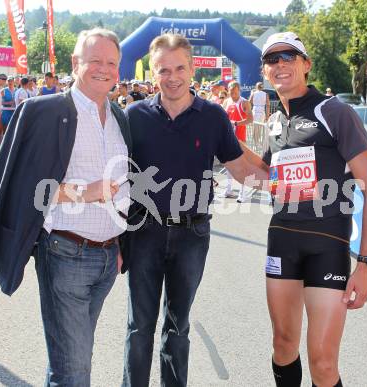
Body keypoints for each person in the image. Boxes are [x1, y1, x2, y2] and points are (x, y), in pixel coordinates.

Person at [0, 28, 133, 386]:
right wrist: (87, 192)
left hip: (107, 259)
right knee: (74, 370)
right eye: (95, 60)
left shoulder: (119, 118)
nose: (104, 69)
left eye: (112, 62)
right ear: (75, 62)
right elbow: (23, 187)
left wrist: (121, 245)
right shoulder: (43, 111)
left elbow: (125, 185)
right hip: (65, 253)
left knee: (71, 361)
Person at [122, 33, 267, 387]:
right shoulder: (133, 116)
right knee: (140, 326)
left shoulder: (213, 116)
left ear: (192, 69)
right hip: (143, 233)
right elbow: (114, 174)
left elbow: (239, 168)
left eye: (179, 68)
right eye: (163, 70)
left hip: (192, 234)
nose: (172, 77)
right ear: (153, 74)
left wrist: (292, 187)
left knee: (177, 326)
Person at [240, 31, 367, 387]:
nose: (280, 64)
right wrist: (221, 140)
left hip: (327, 246)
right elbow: (263, 177)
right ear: (265, 71)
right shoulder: (275, 122)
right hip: (282, 243)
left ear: (306, 64)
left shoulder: (335, 112)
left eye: (289, 56)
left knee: (322, 362)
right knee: (283, 346)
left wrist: (364, 264)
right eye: (272, 59)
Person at [221, 81, 253, 203]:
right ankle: (228, 190)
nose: (233, 94)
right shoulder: (226, 102)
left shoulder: (244, 102)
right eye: (231, 91)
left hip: (240, 139)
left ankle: (242, 193)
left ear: (239, 90)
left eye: (235, 92)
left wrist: (235, 123)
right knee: (228, 165)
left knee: (241, 167)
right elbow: (223, 118)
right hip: (228, 138)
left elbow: (250, 119)